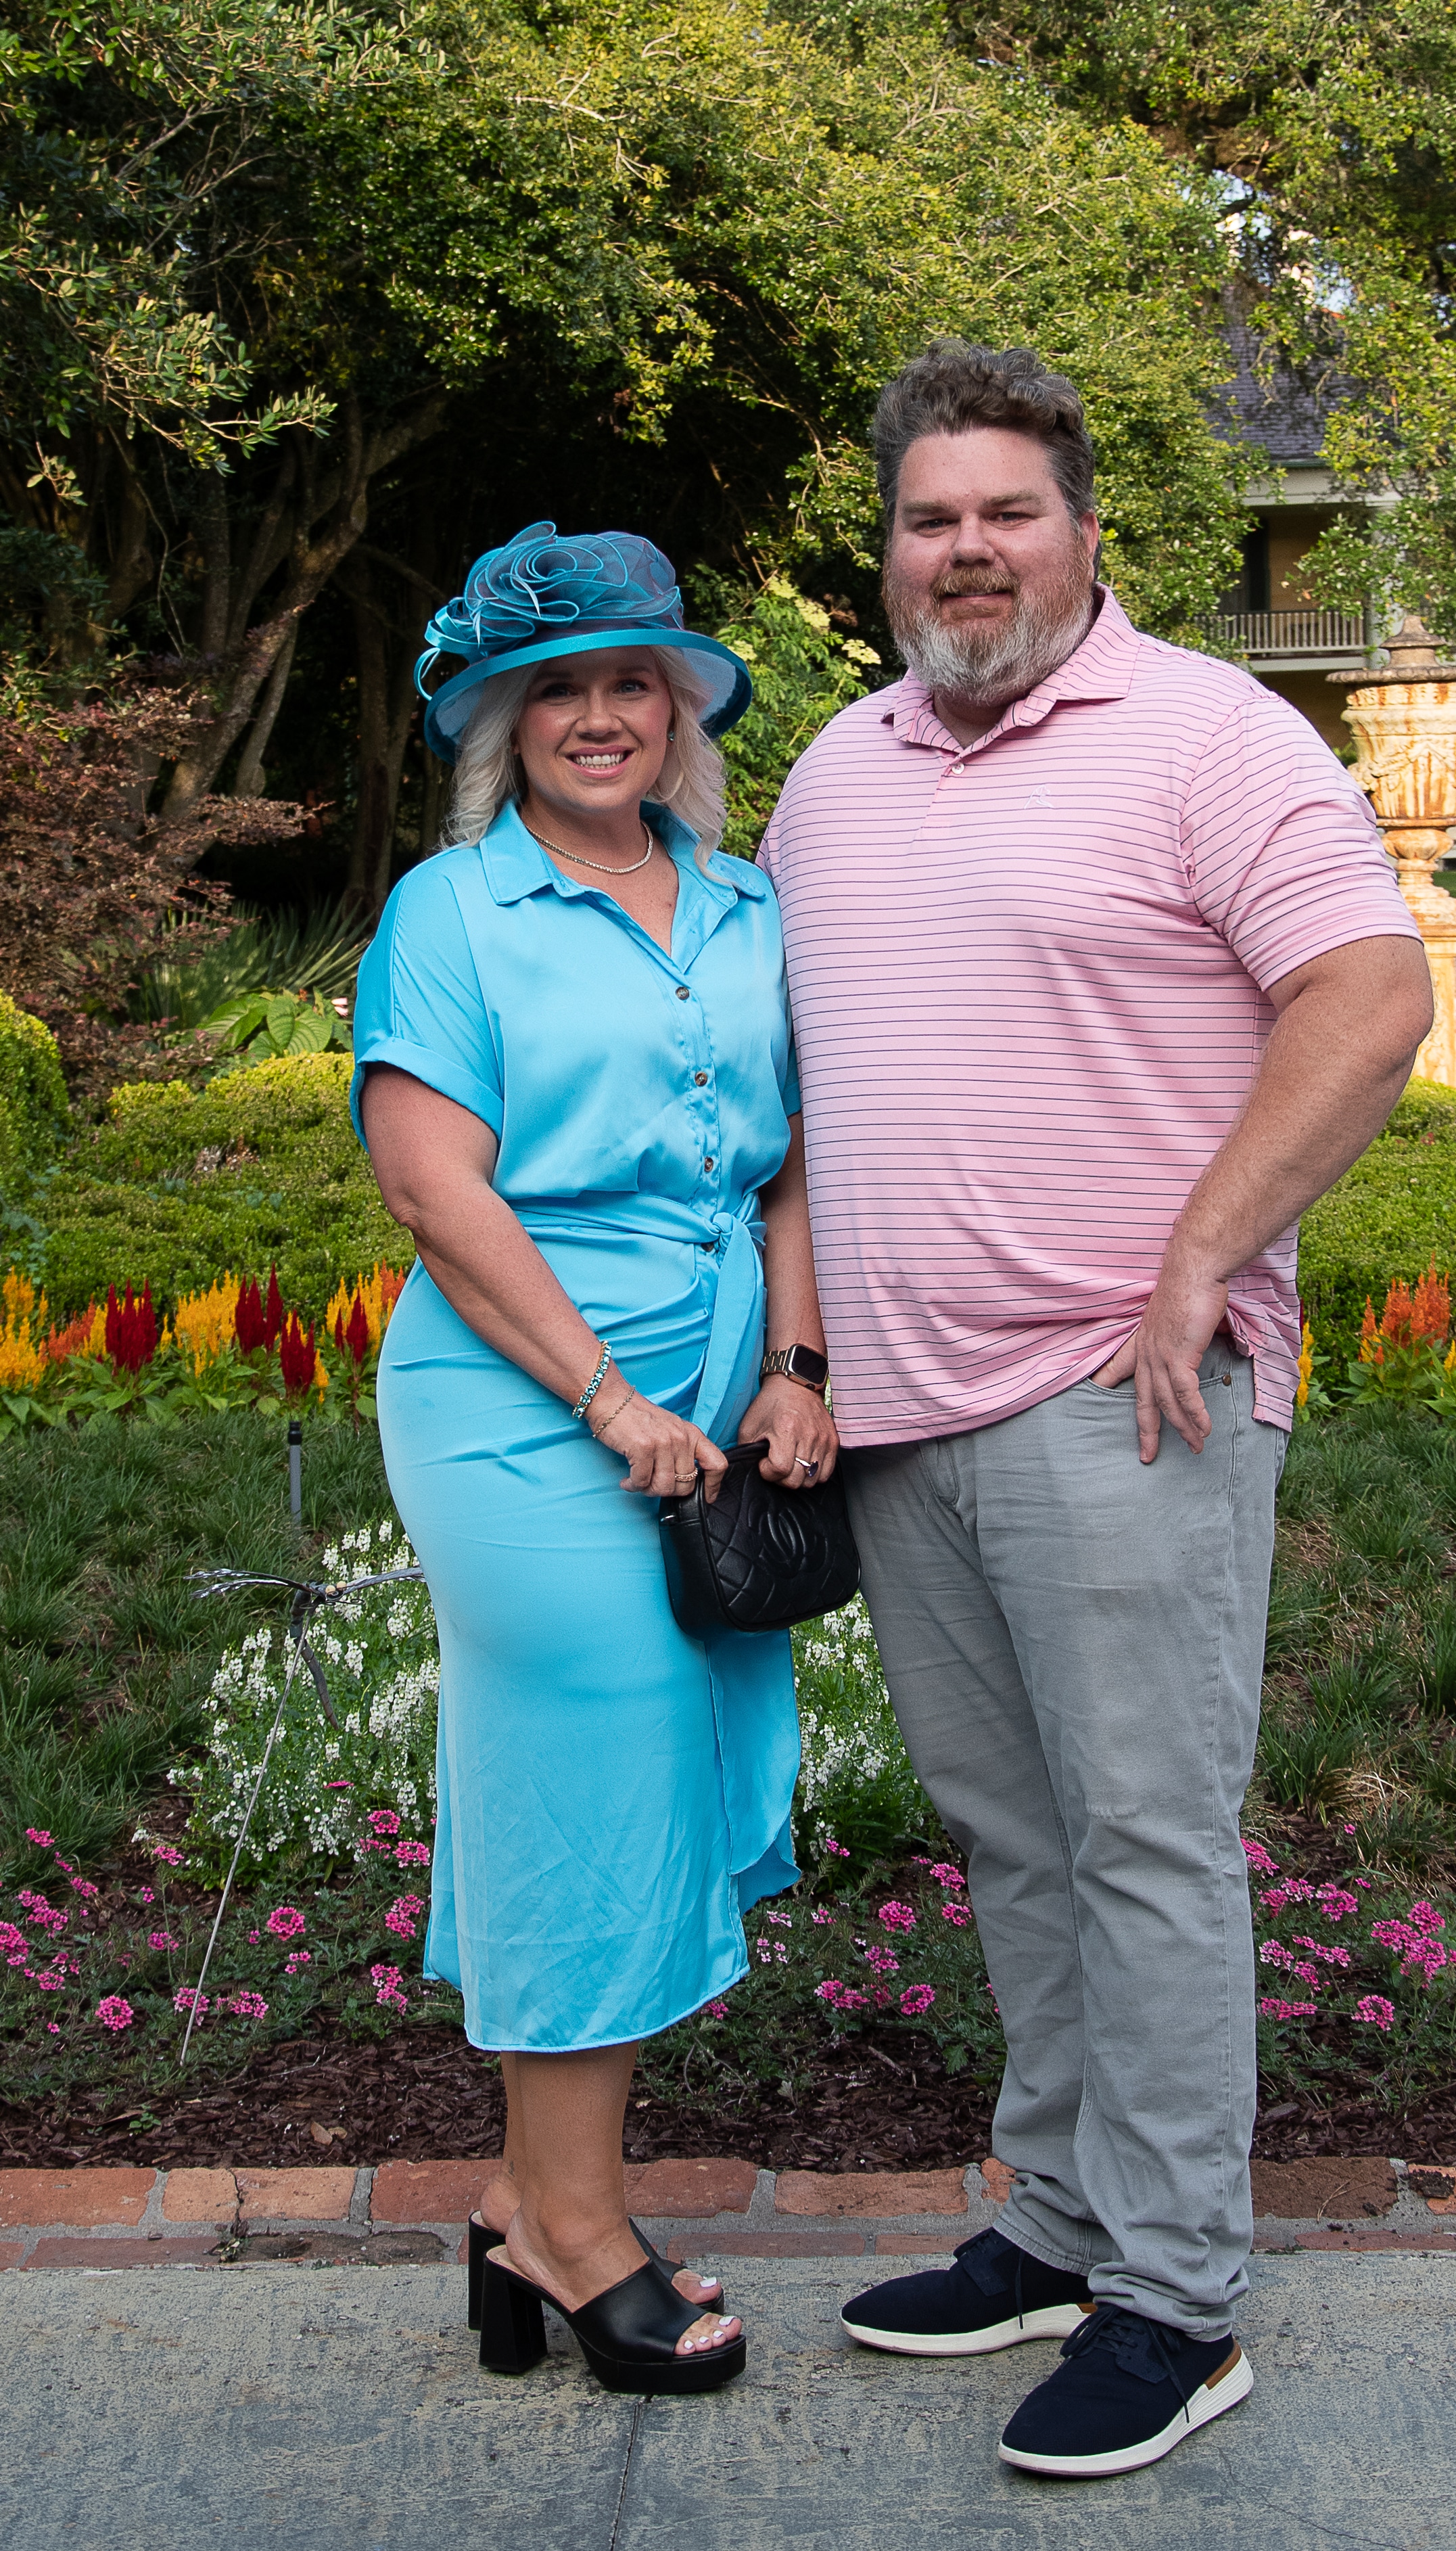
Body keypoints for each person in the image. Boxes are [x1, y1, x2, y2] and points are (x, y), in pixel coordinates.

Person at [759, 344, 1434, 2477]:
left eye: (1005, 514)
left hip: (1118, 1395)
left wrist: (1201, 1252)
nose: (965, 552)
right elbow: (802, 1096)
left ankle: (1175, 2296)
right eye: (928, 520)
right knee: (1015, 1837)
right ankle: (1056, 2226)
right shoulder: (834, 773)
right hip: (903, 1411)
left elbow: (1370, 995)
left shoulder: (1209, 736)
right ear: (888, 552)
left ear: (1079, 531)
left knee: (1142, 1840)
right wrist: (802, 1354)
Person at [354, 522, 838, 2395]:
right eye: (556, 687)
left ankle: (517, 2213)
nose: (599, 715)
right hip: (520, 1401)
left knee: (644, 1772)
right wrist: (606, 1398)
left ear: (678, 710)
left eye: (633, 680)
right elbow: (432, 1187)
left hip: (712, 1400)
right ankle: (571, 2229)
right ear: (505, 722)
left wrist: (794, 1365)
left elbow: (787, 1166)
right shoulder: (452, 911)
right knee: (598, 1766)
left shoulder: (744, 902)